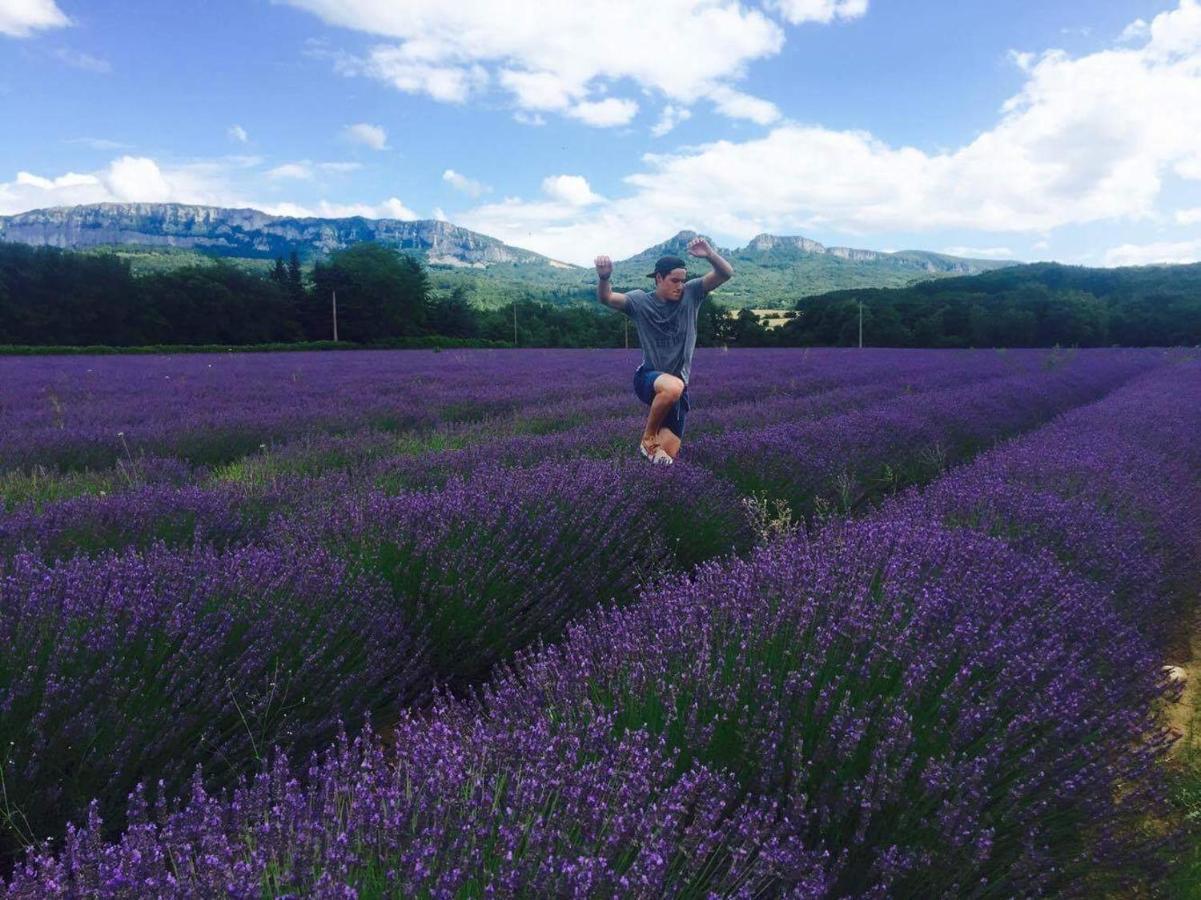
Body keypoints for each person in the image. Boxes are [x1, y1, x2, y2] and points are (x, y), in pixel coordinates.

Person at [595, 236, 734, 464]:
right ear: (659, 278)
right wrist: (604, 278)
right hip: (649, 378)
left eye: (683, 280)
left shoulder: (692, 293)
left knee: (664, 460)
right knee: (672, 387)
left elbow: (726, 273)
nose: (680, 285)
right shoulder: (640, 301)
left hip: (679, 391)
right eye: (674, 280)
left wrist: (710, 254)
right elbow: (606, 298)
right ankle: (647, 438)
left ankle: (641, 480)